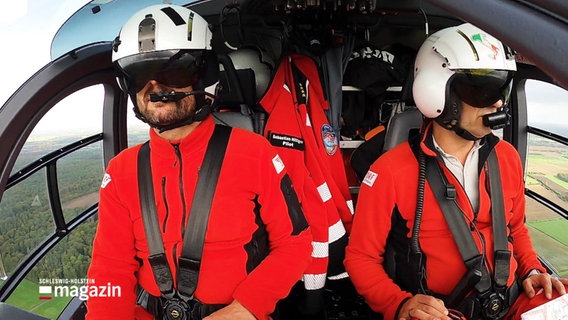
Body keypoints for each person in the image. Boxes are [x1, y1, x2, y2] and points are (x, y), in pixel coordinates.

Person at [85, 4, 312, 320]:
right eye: (140, 77)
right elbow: (109, 269)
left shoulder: (255, 153)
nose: (154, 88)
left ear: (203, 75)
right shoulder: (121, 171)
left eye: (172, 72)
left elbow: (296, 243)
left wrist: (247, 307)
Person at [344, 23, 568, 320]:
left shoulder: (507, 157)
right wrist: (398, 304)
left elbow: (517, 229)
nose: (498, 102)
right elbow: (360, 258)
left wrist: (532, 268)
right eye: (481, 90)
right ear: (437, 92)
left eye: (501, 88)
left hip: (511, 299)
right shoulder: (389, 172)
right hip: (440, 311)